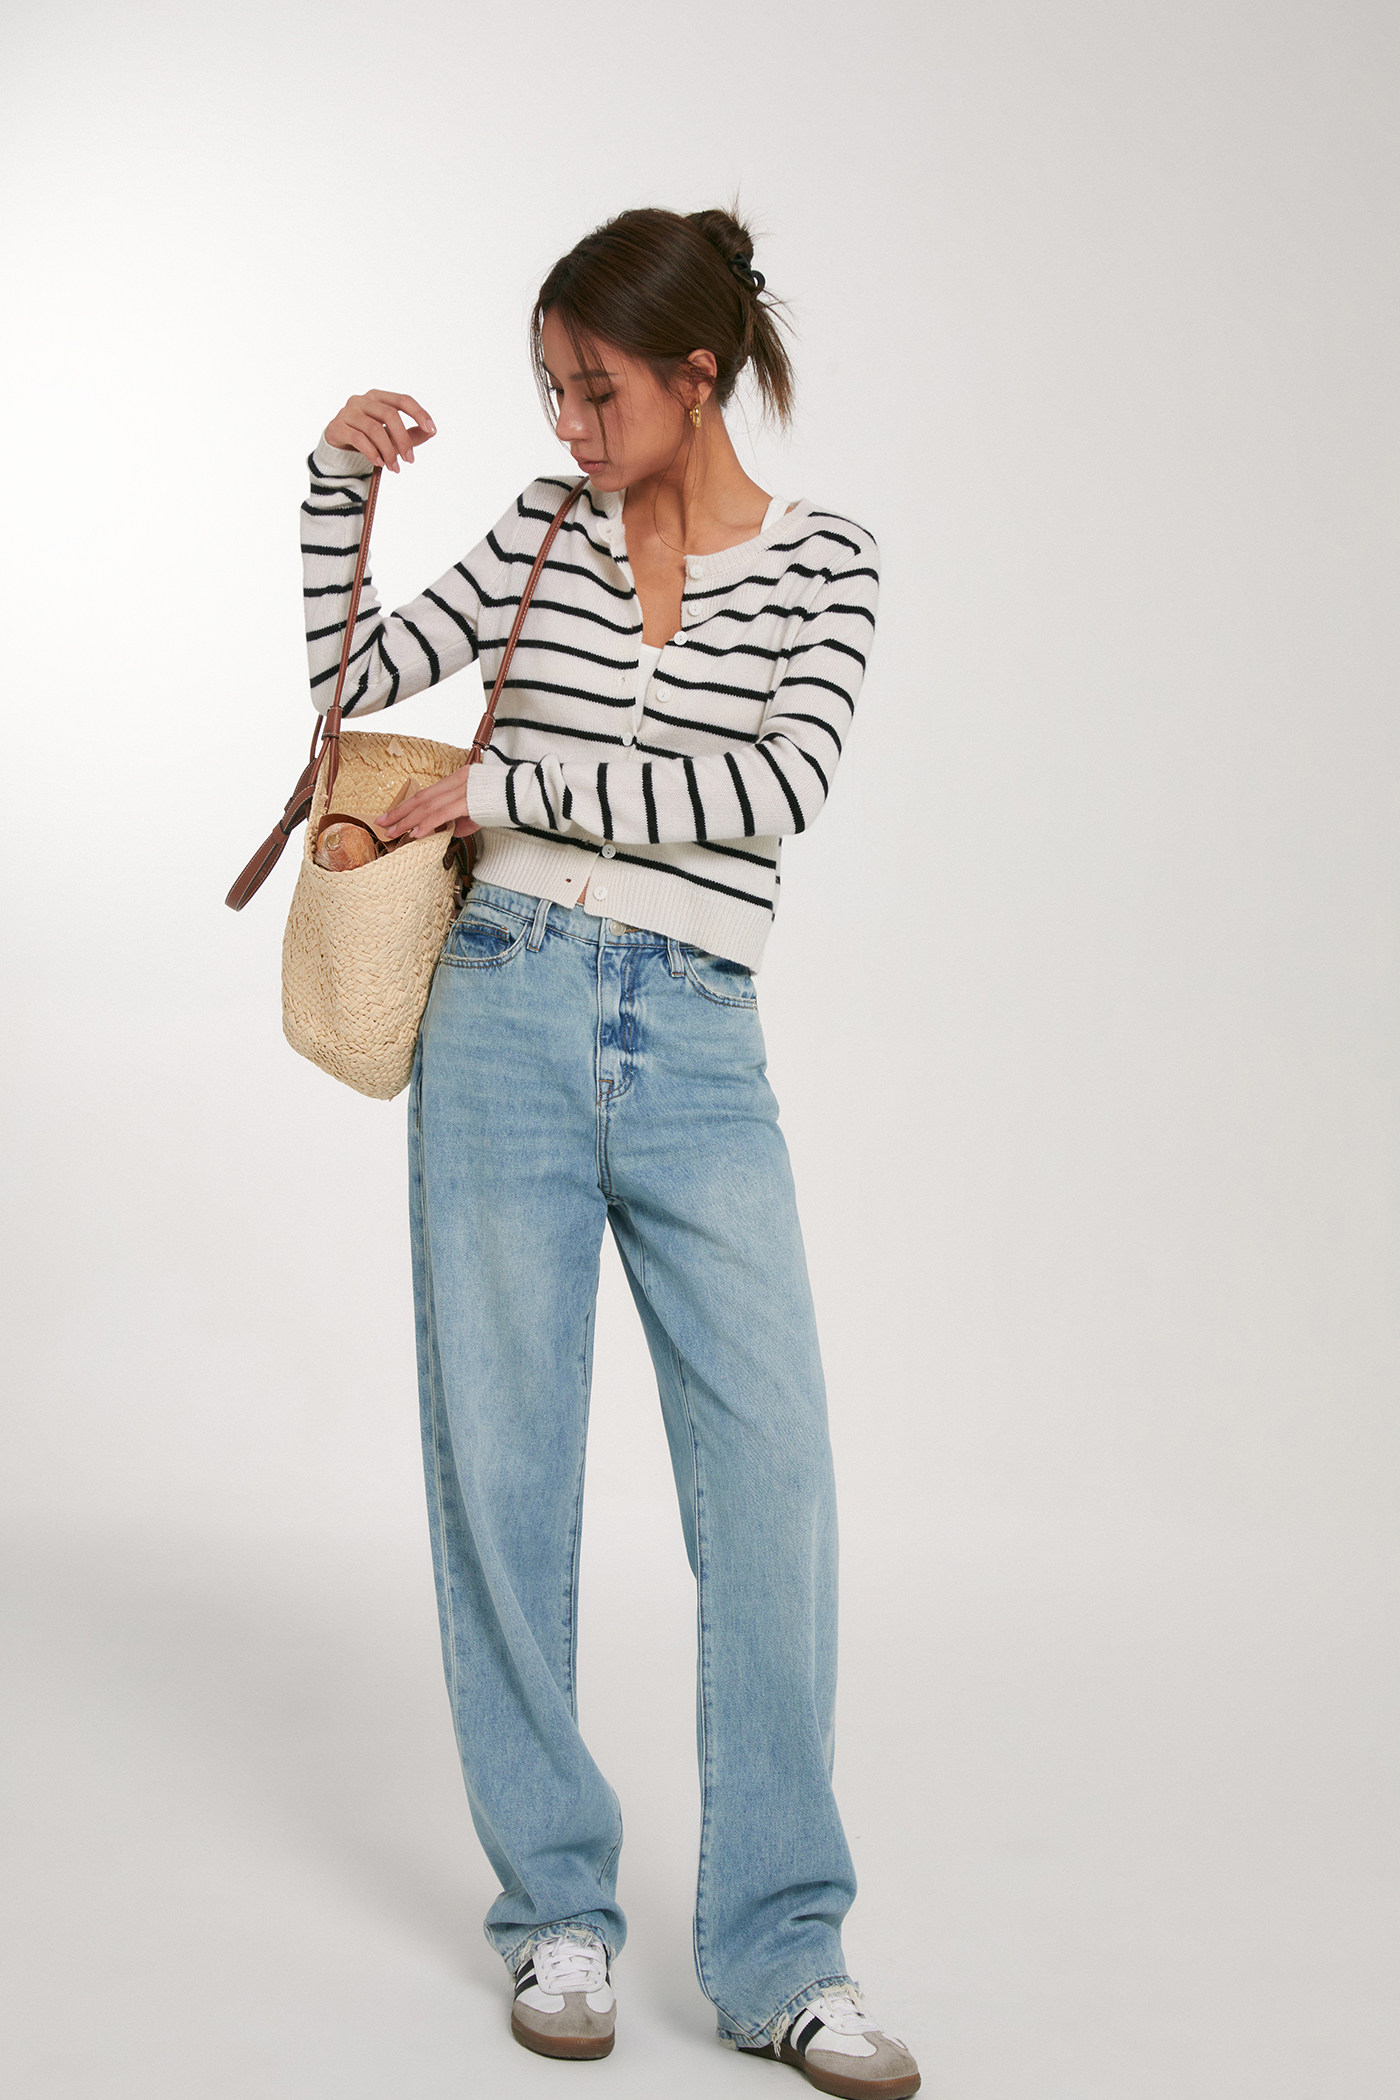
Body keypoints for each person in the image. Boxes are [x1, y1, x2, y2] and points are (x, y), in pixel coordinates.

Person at [301, 205, 917, 2097]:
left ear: (696, 377)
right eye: (552, 392)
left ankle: (783, 1953)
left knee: (776, 1489)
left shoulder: (828, 562)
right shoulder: (541, 528)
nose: (568, 426)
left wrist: (505, 784)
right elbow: (351, 682)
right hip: (499, 1005)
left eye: (596, 391)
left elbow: (770, 786)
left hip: (701, 1037)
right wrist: (336, 488)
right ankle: (554, 1907)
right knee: (502, 1475)